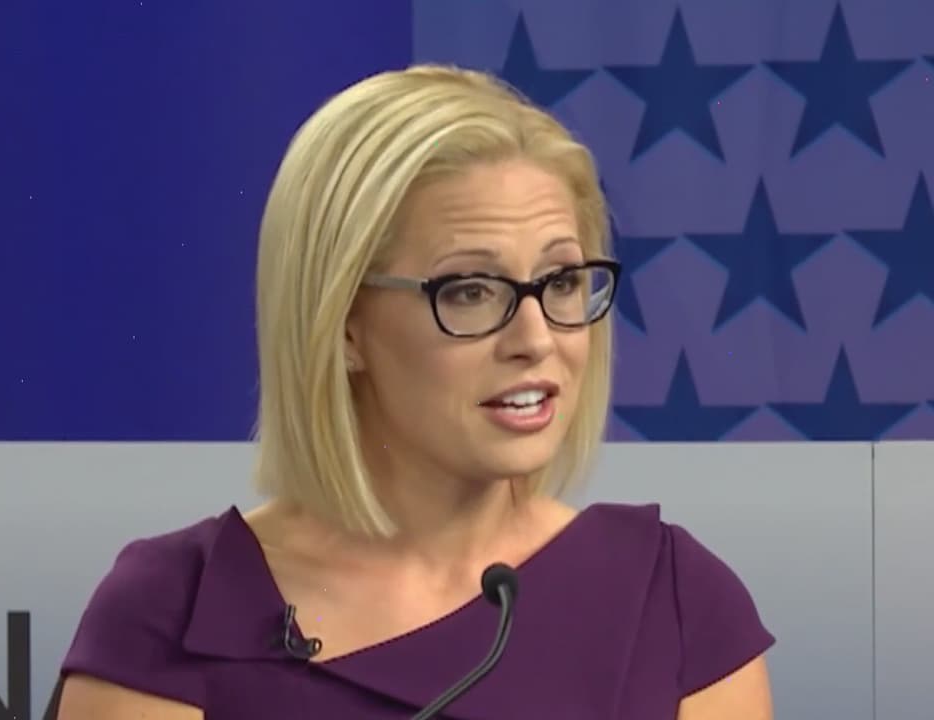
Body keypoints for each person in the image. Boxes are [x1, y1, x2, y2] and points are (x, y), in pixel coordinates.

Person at [55, 64, 776, 719]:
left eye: (560, 282)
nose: (535, 338)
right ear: (343, 324)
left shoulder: (675, 607)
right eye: (470, 291)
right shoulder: (169, 615)